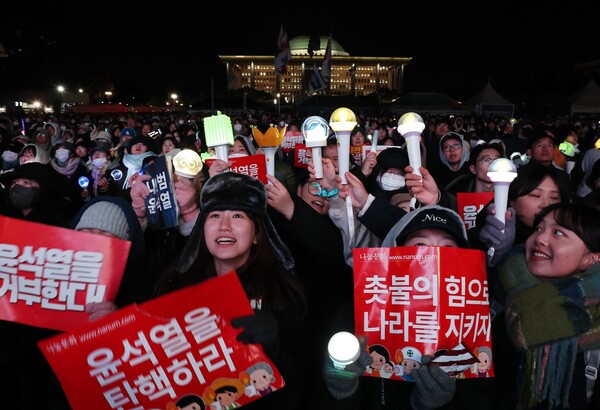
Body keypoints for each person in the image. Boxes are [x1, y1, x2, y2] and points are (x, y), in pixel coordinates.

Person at [155, 172, 307, 410]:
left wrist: (276, 352)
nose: (224, 226)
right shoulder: (175, 284)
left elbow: (301, 388)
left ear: (257, 234)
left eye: (237, 215)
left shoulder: (283, 293)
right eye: (215, 215)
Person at [322, 205, 493, 410]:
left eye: (447, 248)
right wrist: (342, 386)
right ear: (396, 252)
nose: (433, 255)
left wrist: (429, 404)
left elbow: (482, 397)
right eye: (420, 244)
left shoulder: (472, 324)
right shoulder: (358, 311)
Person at [495, 203, 600, 409]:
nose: (540, 238)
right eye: (538, 229)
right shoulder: (505, 307)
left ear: (592, 258)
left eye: (558, 232)